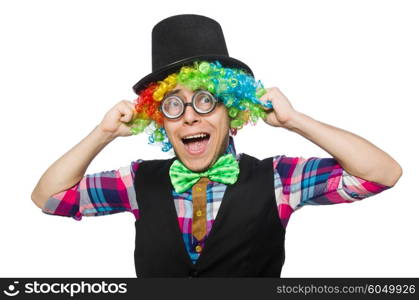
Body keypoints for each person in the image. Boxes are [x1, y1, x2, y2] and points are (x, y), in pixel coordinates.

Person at [31, 14, 402, 277]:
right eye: (174, 104)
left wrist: (295, 120)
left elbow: (382, 173)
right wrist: (103, 133)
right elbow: (48, 197)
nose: (190, 116)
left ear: (232, 109)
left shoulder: (279, 179)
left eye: (205, 100)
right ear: (161, 118)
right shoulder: (136, 182)